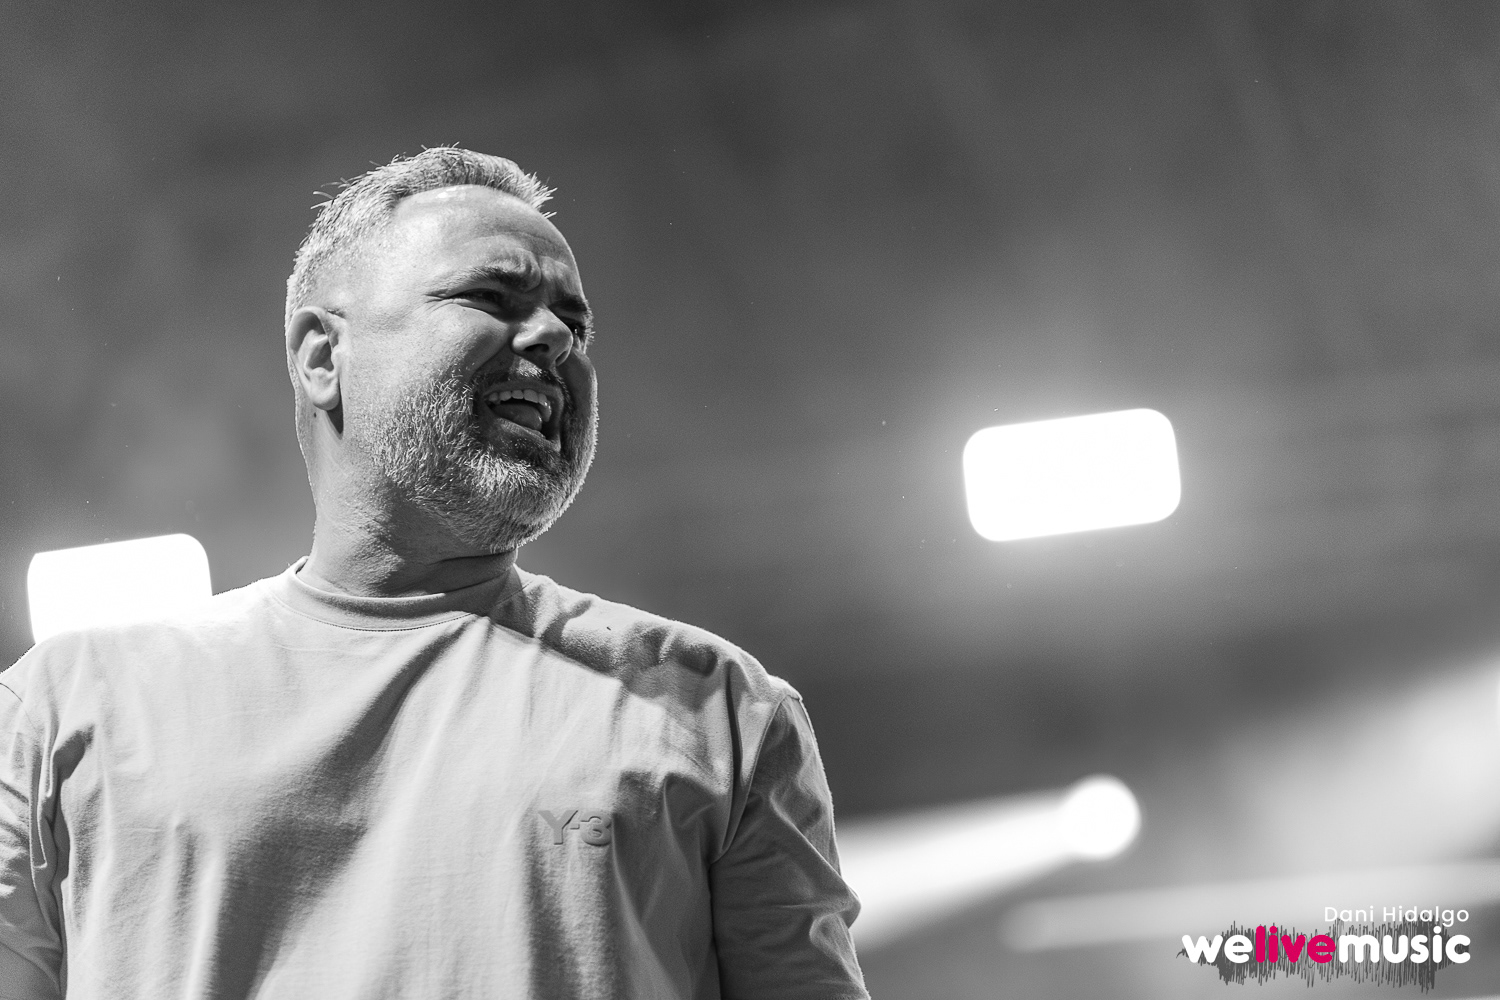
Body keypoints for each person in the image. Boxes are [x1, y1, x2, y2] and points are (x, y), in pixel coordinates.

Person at [0, 147, 867, 999]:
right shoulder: (65, 707)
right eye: (490, 296)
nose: (555, 337)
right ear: (321, 357)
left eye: (576, 324)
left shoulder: (718, 711)